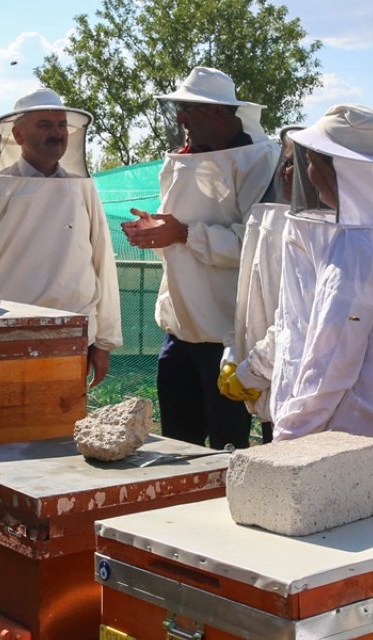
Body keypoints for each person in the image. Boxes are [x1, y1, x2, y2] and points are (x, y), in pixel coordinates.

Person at [121, 67, 279, 450]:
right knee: (178, 446)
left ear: (218, 113)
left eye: (187, 110)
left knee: (228, 450)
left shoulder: (261, 159)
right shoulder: (183, 159)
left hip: (229, 339)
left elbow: (259, 246)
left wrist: (183, 233)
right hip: (178, 333)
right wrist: (157, 231)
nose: (180, 119)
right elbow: (179, 234)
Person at [268, 104, 373, 453]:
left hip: (354, 436)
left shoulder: (358, 246)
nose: (310, 175)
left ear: (340, 171)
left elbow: (333, 357)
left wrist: (288, 438)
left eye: (314, 163)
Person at [0, 88, 122, 386]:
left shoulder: (82, 187)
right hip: (6, 335)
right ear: (18, 135)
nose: (56, 133)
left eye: (60, 125)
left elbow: (102, 260)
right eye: (44, 125)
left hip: (73, 333)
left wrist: (104, 341)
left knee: (63, 428)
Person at [217, 126, 303, 443]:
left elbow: (295, 320)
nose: (284, 172)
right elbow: (249, 302)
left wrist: (250, 372)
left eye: (293, 163)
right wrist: (233, 353)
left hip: (304, 400)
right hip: (273, 393)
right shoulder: (269, 220)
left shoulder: (325, 237)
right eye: (286, 162)